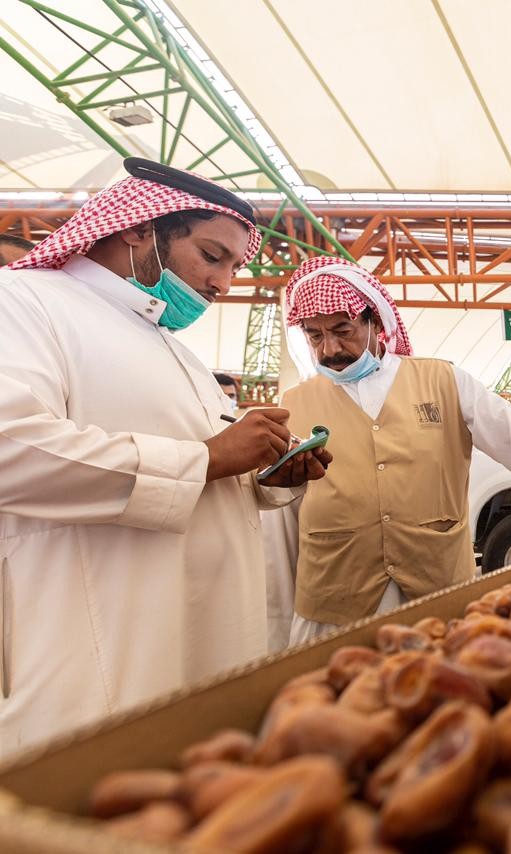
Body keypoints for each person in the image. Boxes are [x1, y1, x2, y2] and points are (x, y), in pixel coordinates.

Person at [0, 157, 331, 758]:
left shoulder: (168, 346)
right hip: (106, 646)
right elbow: (11, 449)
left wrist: (268, 474)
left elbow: (210, 467)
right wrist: (205, 459)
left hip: (206, 639)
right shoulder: (25, 301)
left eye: (233, 266)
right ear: (137, 228)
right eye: (212, 256)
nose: (223, 283)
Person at [269, 257, 511, 644]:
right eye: (315, 336)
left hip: (433, 589)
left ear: (376, 323)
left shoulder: (442, 379)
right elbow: (280, 516)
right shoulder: (294, 403)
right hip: (334, 601)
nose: (330, 348)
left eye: (343, 330)